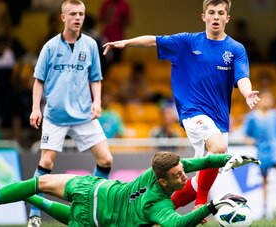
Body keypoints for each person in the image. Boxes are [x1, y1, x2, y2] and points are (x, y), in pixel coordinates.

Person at [103, 0, 260, 216]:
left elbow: (242, 76)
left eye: (220, 13)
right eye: (211, 12)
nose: (215, 16)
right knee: (218, 149)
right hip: (192, 112)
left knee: (200, 177)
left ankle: (156, 213)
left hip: (219, 118)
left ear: (227, 18)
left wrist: (247, 93)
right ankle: (201, 205)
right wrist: (126, 42)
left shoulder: (235, 49)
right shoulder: (187, 42)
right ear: (203, 16)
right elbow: (154, 40)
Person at [0, 151, 260, 226]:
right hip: (95, 206)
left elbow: (205, 160)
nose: (185, 176)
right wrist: (211, 206)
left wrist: (228, 160)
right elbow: (178, 225)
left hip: (93, 194)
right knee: (44, 188)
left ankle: (25, 198)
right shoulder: (157, 206)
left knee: (38, 186)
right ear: (162, 180)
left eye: (182, 171)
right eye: (179, 175)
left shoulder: (164, 169)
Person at [28, 1, 113, 226]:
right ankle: (34, 215)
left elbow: (96, 78)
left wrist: (97, 102)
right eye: (73, 14)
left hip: (84, 114)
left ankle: (90, 205)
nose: (78, 17)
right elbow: (39, 80)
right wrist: (36, 108)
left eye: (81, 14)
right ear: (63, 17)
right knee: (46, 161)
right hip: (55, 115)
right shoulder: (49, 47)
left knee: (105, 159)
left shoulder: (91, 45)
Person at [242, 90, 276, 218]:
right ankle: (264, 209)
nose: (268, 101)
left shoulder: (275, 114)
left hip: (275, 150)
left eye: (270, 98)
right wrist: (250, 141)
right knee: (264, 181)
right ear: (259, 100)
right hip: (262, 152)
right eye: (265, 98)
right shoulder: (252, 117)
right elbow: (246, 135)